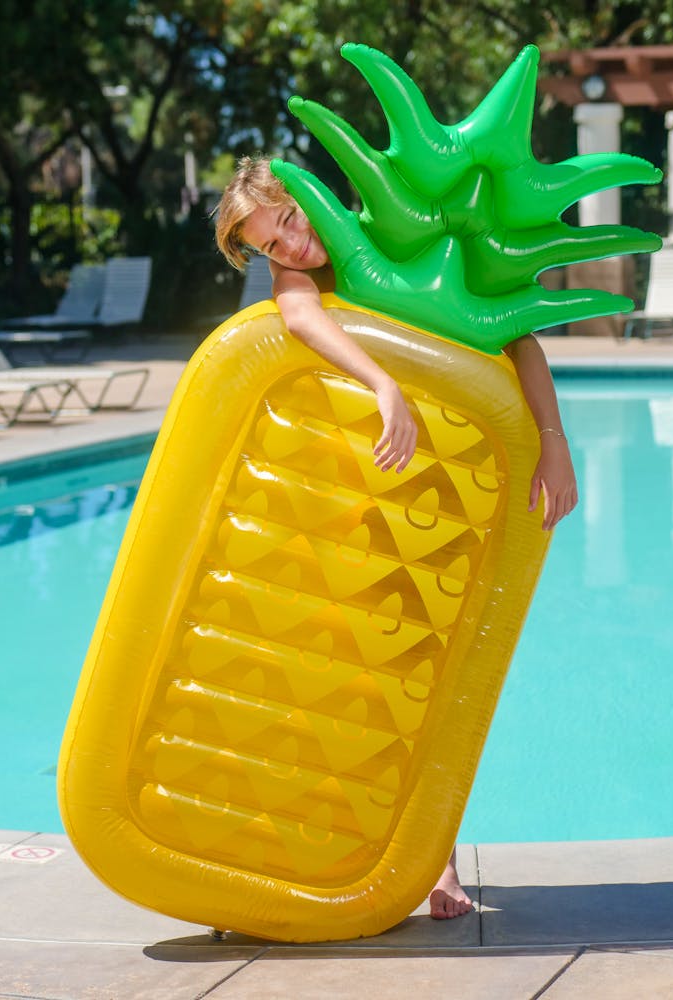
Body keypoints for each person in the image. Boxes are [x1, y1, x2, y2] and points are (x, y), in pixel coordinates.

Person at [215, 155, 578, 920]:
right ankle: (380, 855)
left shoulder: (399, 241)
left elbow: (515, 336)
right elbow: (300, 320)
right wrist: (384, 384)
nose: (291, 247)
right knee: (376, 682)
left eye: (288, 221)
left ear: (306, 198)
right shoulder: (303, 285)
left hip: (454, 486)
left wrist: (554, 441)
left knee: (436, 674)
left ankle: (436, 861)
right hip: (366, 492)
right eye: (271, 246)